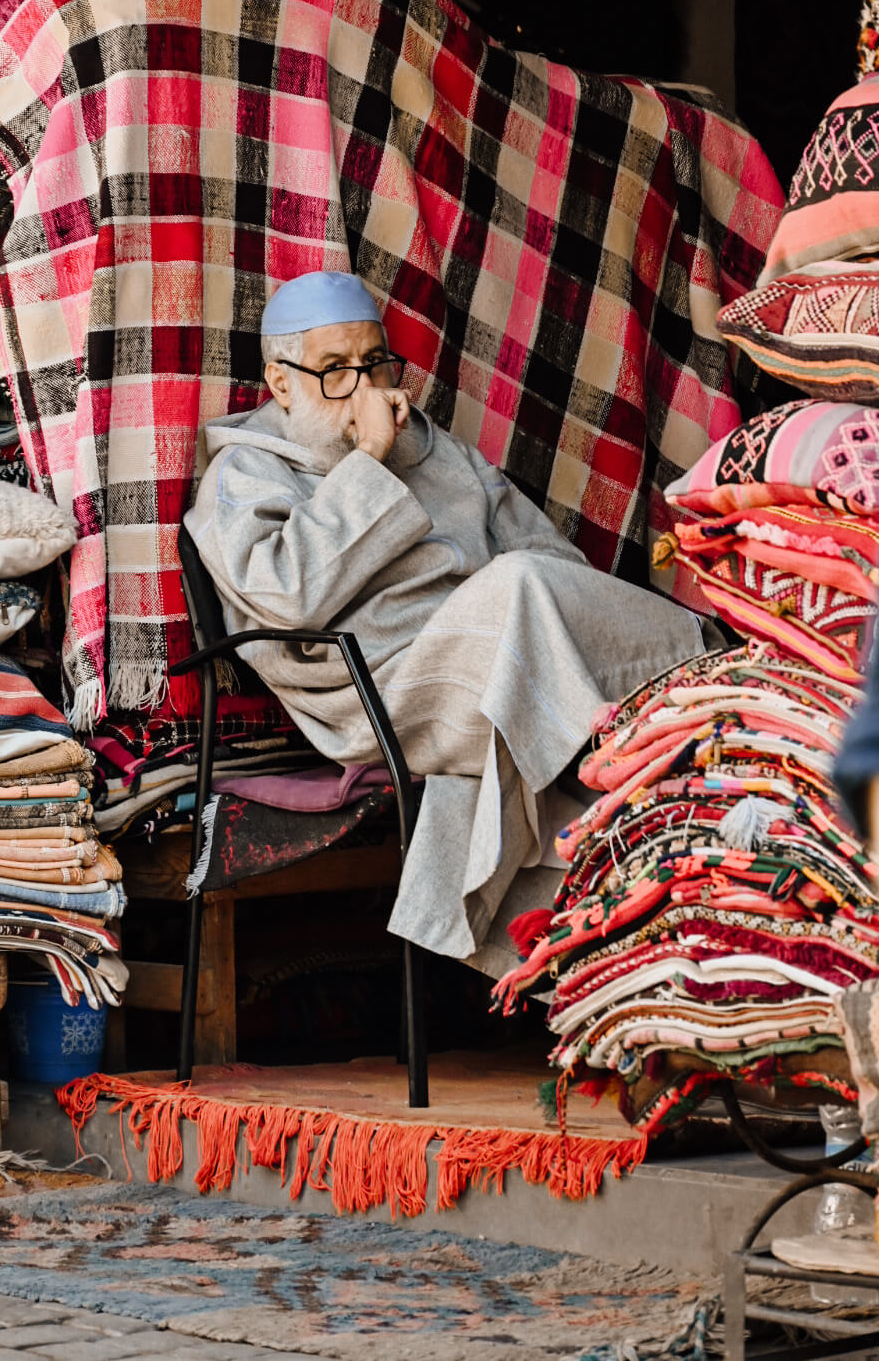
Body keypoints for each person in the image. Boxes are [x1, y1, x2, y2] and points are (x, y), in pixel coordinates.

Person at [186, 270, 709, 973]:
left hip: (502, 652)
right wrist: (367, 460)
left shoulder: (436, 449)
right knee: (519, 586)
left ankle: (703, 703)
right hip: (379, 690)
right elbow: (286, 597)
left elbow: (550, 557)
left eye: (375, 363)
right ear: (281, 384)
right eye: (335, 371)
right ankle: (628, 763)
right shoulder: (243, 473)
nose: (366, 390)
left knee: (532, 583)